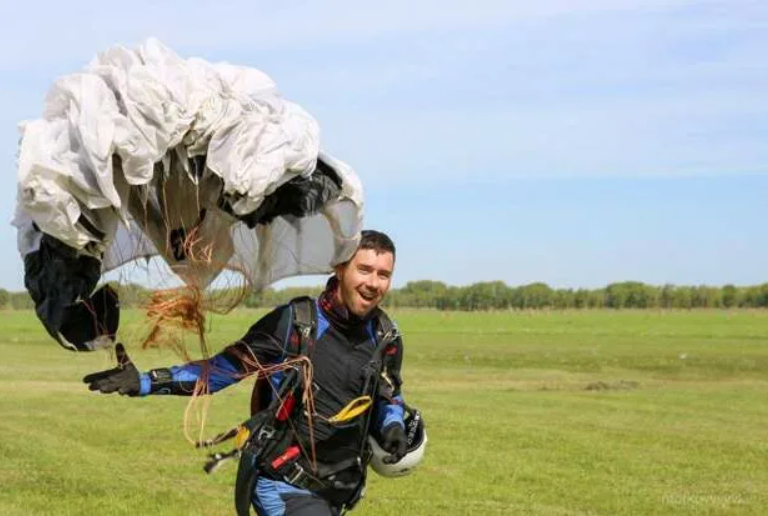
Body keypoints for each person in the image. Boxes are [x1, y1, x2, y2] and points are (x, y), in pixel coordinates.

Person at [84, 230, 412, 515]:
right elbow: (221, 371)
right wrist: (144, 382)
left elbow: (387, 395)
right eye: (364, 269)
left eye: (383, 274)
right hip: (283, 483)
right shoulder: (295, 323)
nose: (373, 283)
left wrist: (393, 426)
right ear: (340, 268)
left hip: (337, 491)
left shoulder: (386, 336)